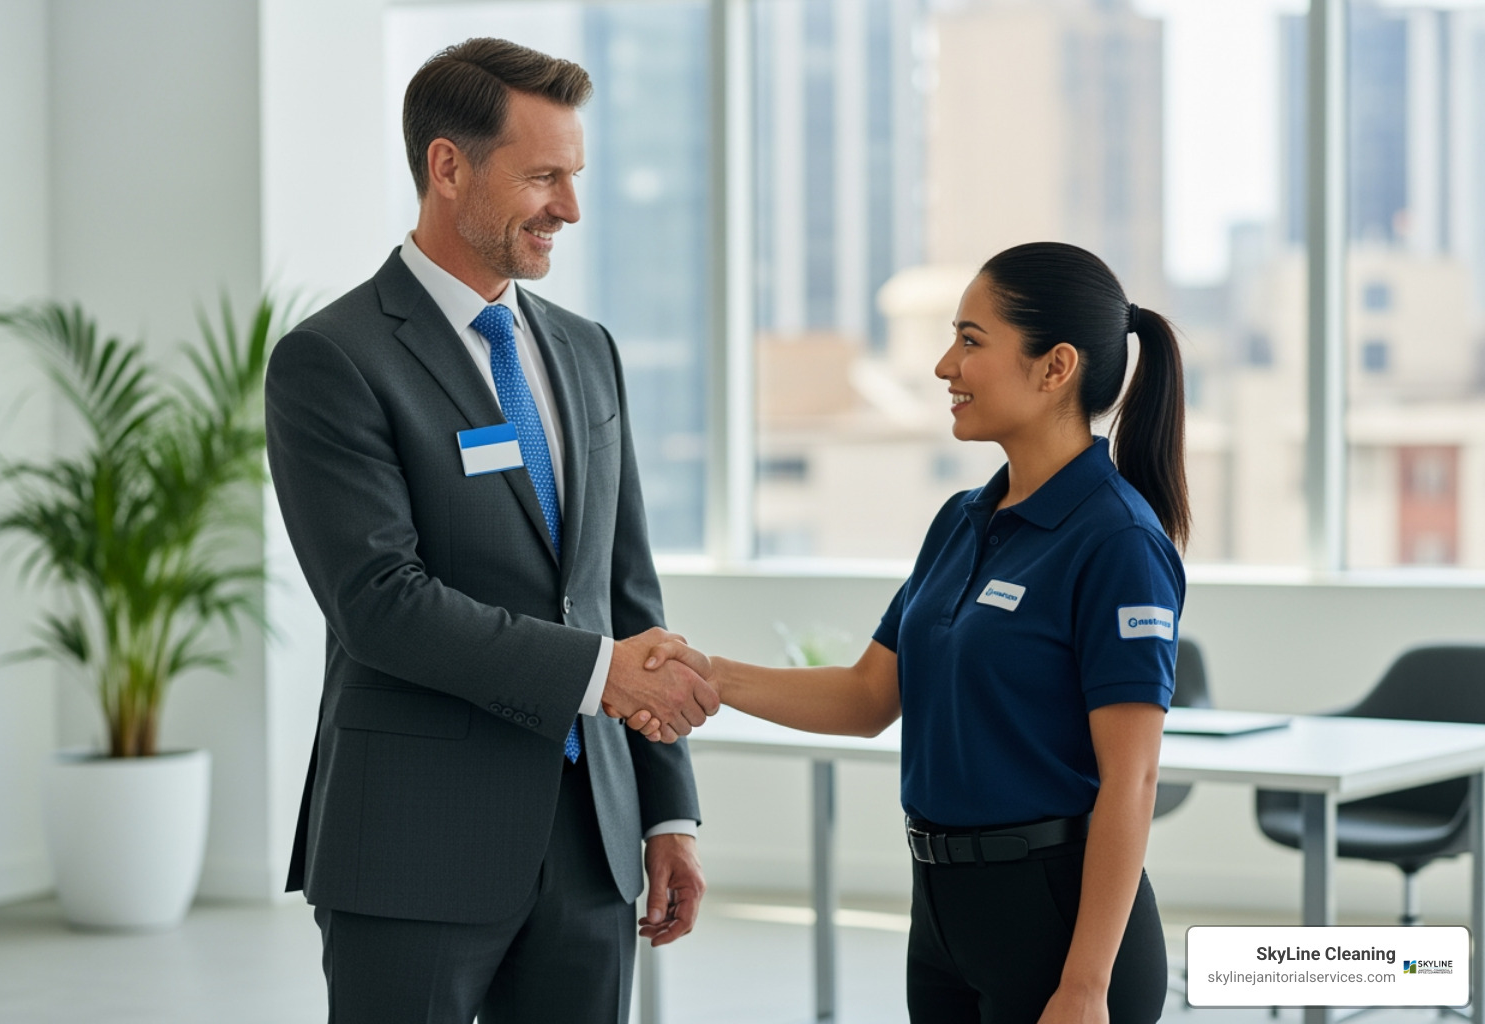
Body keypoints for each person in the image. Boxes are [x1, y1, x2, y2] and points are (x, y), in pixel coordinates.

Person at [265, 38, 718, 1024]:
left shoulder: (587, 353)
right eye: (544, 176)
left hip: (592, 843)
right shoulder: (331, 361)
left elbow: (625, 592)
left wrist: (666, 808)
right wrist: (601, 673)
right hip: (415, 842)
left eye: (575, 175)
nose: (571, 207)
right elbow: (380, 605)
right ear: (447, 166)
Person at [642, 241, 1188, 1023]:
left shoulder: (1117, 542)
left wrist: (1085, 987)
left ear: (1055, 366)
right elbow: (868, 695)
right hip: (943, 910)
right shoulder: (964, 520)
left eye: (971, 341)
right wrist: (709, 675)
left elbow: (1131, 781)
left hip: (1056, 922)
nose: (944, 367)